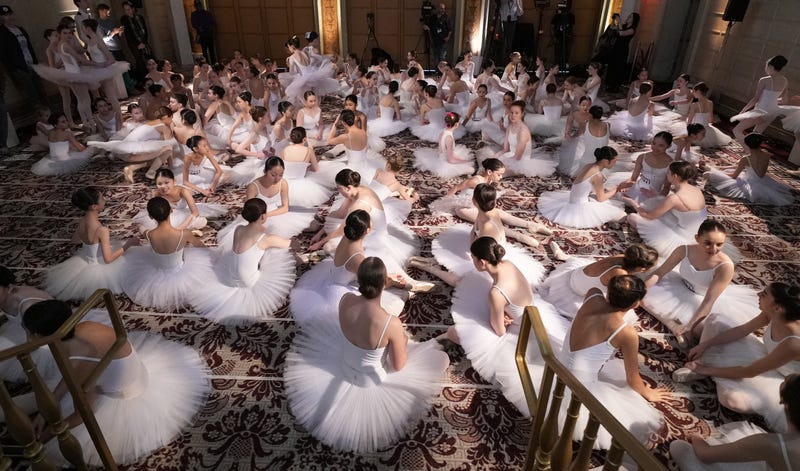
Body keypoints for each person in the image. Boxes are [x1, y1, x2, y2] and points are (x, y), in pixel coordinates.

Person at [11, 299, 209, 467]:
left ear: (39, 336)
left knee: (54, 441)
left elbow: (82, 415)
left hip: (123, 400)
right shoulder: (84, 327)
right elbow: (71, 374)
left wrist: (48, 434)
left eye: (30, 333)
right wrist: (45, 411)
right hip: (131, 375)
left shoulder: (80, 358)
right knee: (43, 399)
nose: (28, 338)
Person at [284, 256, 449, 452]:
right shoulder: (391, 323)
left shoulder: (345, 300)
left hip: (344, 364)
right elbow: (398, 365)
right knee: (442, 360)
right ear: (385, 283)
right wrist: (402, 342)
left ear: (359, 280)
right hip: (371, 380)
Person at [415, 236, 565, 416]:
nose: (472, 261)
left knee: (456, 332)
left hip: (518, 328)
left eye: (473, 258)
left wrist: (504, 319)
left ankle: (435, 342)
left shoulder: (496, 293)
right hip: (529, 309)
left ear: (483, 261)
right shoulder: (507, 263)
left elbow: (499, 331)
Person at [558, 276, 669, 449]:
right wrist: (648, 393)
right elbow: (633, 379)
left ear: (608, 292)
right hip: (580, 389)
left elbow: (599, 288)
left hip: (558, 369)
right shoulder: (627, 333)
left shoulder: (593, 295)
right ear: (635, 305)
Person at [674, 281, 800, 432]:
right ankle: (704, 364)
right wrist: (706, 345)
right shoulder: (771, 312)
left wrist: (705, 369)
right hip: (765, 356)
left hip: (784, 382)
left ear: (778, 307)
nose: (758, 294)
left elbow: (750, 371)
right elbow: (743, 330)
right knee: (716, 320)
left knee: (731, 400)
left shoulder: (793, 343)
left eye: (764, 294)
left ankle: (705, 369)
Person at [642, 219, 759, 347]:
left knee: (704, 332)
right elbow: (660, 272)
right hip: (679, 284)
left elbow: (709, 301)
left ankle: (682, 328)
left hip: (703, 299)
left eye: (719, 244)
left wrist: (690, 326)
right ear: (697, 238)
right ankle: (673, 326)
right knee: (644, 294)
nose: (714, 249)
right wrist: (642, 290)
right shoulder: (683, 250)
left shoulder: (725, 266)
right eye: (708, 243)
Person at [190, 198, 296, 323]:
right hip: (248, 281)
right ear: (263, 216)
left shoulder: (238, 229)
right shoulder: (266, 238)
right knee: (278, 252)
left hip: (228, 277)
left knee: (253, 252)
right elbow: (291, 244)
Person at [670, 373, 800, 471]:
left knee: (678, 447)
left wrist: (696, 437)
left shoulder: (773, 444)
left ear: (783, 402)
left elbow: (705, 455)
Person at [44, 187, 138, 300]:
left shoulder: (82, 221)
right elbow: (108, 259)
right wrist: (128, 245)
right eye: (102, 198)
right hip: (100, 266)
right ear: (94, 207)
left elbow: (75, 240)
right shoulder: (102, 230)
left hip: (87, 259)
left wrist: (91, 241)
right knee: (134, 259)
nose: (104, 199)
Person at [123, 196, 207, 310]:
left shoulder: (149, 235)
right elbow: (200, 246)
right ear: (171, 211)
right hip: (181, 272)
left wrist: (140, 227)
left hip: (159, 272)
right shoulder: (184, 233)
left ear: (151, 216)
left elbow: (142, 230)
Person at [541, 243, 659, 320]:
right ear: (641, 269)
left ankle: (564, 256)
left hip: (574, 275)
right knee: (622, 311)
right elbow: (612, 298)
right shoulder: (619, 274)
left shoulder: (622, 257)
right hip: (575, 292)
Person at [218, 157, 316, 241]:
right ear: (265, 171)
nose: (277, 179)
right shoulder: (254, 186)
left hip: (278, 212)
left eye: (280, 175)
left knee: (314, 226)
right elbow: (249, 211)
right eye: (273, 175)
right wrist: (262, 217)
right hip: (257, 216)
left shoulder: (283, 183)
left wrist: (268, 215)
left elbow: (285, 207)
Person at [538, 146, 627, 229]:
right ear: (605, 161)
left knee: (607, 203)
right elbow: (601, 198)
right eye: (614, 161)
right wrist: (617, 189)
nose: (615, 164)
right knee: (623, 215)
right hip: (580, 206)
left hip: (574, 198)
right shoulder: (597, 175)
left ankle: (607, 220)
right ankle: (606, 220)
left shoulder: (589, 165)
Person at [705, 133, 793, 206]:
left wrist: (717, 173)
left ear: (747, 145)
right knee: (726, 170)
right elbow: (760, 173)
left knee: (707, 174)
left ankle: (709, 168)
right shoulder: (767, 155)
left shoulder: (746, 159)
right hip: (764, 181)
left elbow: (734, 176)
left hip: (749, 183)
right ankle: (711, 168)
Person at [478, 100, 557, 178]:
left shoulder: (523, 131)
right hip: (510, 155)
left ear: (522, 114)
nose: (513, 115)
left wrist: (500, 163)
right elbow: (505, 149)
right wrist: (495, 157)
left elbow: (517, 157)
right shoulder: (510, 127)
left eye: (516, 113)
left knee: (494, 173)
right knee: (484, 157)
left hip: (520, 162)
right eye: (511, 113)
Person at [131, 168, 227, 232]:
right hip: (168, 216)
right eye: (159, 184)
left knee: (201, 221)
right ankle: (183, 232)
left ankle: (182, 232)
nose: (163, 187)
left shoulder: (183, 191)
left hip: (186, 213)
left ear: (174, 181)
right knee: (148, 226)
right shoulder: (155, 193)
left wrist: (180, 227)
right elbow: (155, 213)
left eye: (166, 182)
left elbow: (195, 212)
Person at [731, 55, 791, 144]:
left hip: (761, 111)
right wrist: (773, 101)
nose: (765, 68)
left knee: (737, 130)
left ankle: (748, 150)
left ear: (770, 66)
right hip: (772, 112)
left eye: (766, 66)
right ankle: (752, 155)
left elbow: (755, 99)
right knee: (756, 135)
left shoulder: (764, 80)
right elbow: (784, 100)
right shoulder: (785, 81)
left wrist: (743, 110)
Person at [0, 5, 47, 107]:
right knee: (31, 93)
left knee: (41, 89)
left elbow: (29, 46)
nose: (9, 17)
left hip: (31, 64)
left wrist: (35, 62)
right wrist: (13, 68)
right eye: (6, 15)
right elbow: (3, 54)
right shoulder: (2, 33)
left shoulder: (20, 29)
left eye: (10, 14)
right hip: (19, 68)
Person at [616, 131, 674, 210]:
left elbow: (666, 187)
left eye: (661, 145)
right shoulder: (642, 157)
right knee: (620, 200)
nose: (655, 148)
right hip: (637, 189)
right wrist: (623, 186)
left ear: (668, 146)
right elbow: (633, 179)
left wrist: (657, 200)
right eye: (654, 143)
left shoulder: (671, 164)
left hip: (654, 194)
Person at [413, 111, 474, 179]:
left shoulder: (443, 132)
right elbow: (451, 160)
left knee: (462, 157)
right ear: (457, 124)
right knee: (472, 170)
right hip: (446, 162)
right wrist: (466, 161)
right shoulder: (449, 138)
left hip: (441, 156)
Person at [31, 112, 95, 176]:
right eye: (63, 122)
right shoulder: (67, 134)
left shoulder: (50, 132)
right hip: (64, 160)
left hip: (52, 159)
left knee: (71, 146)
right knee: (90, 147)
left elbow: (59, 145)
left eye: (66, 120)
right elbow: (80, 148)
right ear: (55, 125)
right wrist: (86, 149)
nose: (67, 122)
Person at [685, 82, 732, 148]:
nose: (692, 93)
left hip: (697, 130)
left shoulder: (694, 105)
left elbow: (689, 122)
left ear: (698, 91)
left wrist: (688, 133)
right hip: (706, 129)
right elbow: (710, 120)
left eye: (693, 91)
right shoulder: (710, 103)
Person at [605, 12, 639, 92]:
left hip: (622, 50)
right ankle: (610, 84)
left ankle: (615, 86)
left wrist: (619, 21)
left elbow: (621, 33)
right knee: (612, 65)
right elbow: (613, 28)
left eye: (630, 17)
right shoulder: (623, 26)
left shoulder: (632, 29)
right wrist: (614, 20)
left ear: (634, 20)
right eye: (629, 16)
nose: (628, 17)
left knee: (618, 67)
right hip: (616, 48)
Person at [119, 1, 150, 82]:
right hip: (134, 44)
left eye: (129, 9)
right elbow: (128, 34)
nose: (128, 11)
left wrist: (144, 42)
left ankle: (151, 77)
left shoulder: (140, 17)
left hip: (143, 42)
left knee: (148, 58)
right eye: (125, 10)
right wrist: (138, 44)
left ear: (133, 9)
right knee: (139, 61)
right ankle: (144, 80)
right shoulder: (124, 19)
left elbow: (145, 30)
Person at [191, 0, 216, 64]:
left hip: (209, 34)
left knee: (211, 51)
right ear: (195, 6)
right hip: (202, 35)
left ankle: (213, 63)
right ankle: (206, 64)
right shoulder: (194, 14)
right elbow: (194, 24)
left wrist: (207, 28)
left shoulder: (207, 13)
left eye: (199, 5)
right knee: (204, 52)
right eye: (197, 5)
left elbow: (212, 23)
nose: (198, 7)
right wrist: (199, 28)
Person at [551, 5, 575, 70]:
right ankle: (557, 66)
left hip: (567, 37)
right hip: (558, 37)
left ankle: (565, 65)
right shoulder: (557, 16)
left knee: (566, 51)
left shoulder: (571, 16)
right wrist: (553, 37)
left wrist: (571, 36)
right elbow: (552, 27)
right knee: (558, 52)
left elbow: (572, 27)